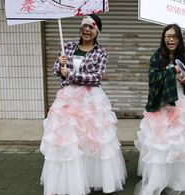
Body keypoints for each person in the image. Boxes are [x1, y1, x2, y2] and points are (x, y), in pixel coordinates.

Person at [40, 14, 127, 195]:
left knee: (93, 139)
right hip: (68, 100)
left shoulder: (100, 52)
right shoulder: (69, 46)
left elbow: (96, 77)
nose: (87, 30)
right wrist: (59, 64)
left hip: (91, 101)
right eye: (85, 26)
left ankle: (92, 177)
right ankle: (71, 180)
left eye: (91, 28)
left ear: (97, 32)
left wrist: (70, 74)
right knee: (70, 139)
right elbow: (57, 71)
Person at [134, 23, 185, 195]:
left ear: (179, 39)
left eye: (174, 37)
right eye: (168, 36)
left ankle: (181, 182)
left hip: (183, 105)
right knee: (162, 146)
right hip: (163, 106)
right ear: (163, 38)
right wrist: (172, 71)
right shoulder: (157, 56)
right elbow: (152, 79)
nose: (171, 39)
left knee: (184, 145)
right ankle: (159, 182)